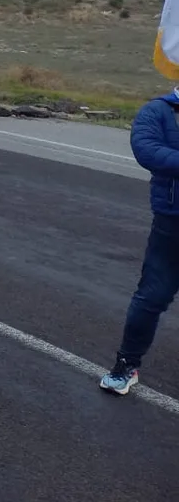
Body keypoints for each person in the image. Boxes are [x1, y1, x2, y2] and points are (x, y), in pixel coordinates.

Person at [99, 88, 179, 396]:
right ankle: (126, 364)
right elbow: (146, 149)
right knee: (151, 297)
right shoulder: (157, 111)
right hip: (172, 223)